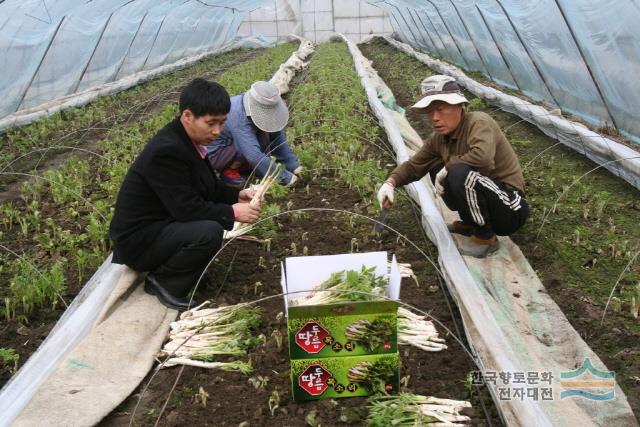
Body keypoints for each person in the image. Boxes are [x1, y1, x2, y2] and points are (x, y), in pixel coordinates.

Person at [109, 78, 261, 310]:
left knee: (209, 225)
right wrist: (232, 212)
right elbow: (187, 208)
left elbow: (206, 186)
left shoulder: (188, 140)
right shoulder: (167, 151)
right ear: (188, 116)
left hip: (162, 224)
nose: (217, 131)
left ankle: (180, 268)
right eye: (211, 123)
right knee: (208, 232)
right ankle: (163, 282)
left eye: (222, 123)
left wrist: (236, 196)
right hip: (138, 241)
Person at [377, 75, 528, 258]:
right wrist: (390, 183)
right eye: (430, 112)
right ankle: (471, 222)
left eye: (440, 109)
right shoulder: (439, 139)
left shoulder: (478, 122)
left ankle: (485, 238)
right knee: (436, 167)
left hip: (510, 208)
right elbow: (414, 165)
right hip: (488, 199)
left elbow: (484, 158)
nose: (435, 118)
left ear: (459, 107)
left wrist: (449, 168)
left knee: (458, 172)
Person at [207, 80, 302, 186]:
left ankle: (247, 165)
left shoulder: (253, 106)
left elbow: (277, 136)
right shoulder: (238, 115)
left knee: (267, 132)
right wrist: (286, 178)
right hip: (217, 153)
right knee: (254, 144)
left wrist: (294, 166)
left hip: (234, 144)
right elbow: (253, 155)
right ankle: (228, 170)